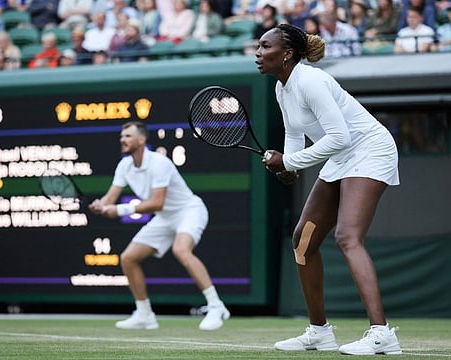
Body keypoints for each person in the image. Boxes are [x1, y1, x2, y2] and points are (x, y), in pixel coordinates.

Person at [257, 23, 402, 355]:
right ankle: (319, 332)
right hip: (340, 158)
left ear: (288, 54)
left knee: (347, 237)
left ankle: (382, 334)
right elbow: (294, 134)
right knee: (302, 241)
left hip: (369, 150)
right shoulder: (282, 88)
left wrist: (291, 161)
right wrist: (289, 164)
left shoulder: (311, 81)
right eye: (259, 47)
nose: (258, 53)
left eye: (265, 47)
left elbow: (341, 137)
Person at [88, 121, 230, 331]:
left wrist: (119, 210)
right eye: (122, 136)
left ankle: (216, 306)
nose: (122, 139)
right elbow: (110, 197)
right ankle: (144, 314)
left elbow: (156, 202)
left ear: (141, 139)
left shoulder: (159, 163)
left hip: (189, 210)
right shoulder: (124, 166)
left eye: (128, 136)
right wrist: (101, 205)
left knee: (181, 250)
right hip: (164, 218)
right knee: (128, 258)